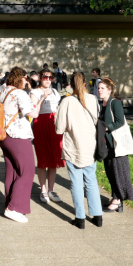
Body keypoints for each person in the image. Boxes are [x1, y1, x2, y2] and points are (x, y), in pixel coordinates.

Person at [55, 72, 103, 229]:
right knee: (91, 180)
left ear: (71, 84)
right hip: (90, 145)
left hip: (74, 146)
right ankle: (97, 216)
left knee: (76, 182)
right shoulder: (93, 99)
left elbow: (59, 129)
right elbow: (96, 120)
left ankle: (80, 218)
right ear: (85, 83)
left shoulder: (67, 101)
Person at [0, 67, 44, 223]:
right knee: (27, 171)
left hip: (4, 136)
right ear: (21, 78)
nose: (27, 82)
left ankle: (9, 204)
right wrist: (41, 99)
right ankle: (14, 208)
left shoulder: (3, 90)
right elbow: (34, 114)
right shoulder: (20, 93)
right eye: (26, 79)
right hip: (18, 136)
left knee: (11, 171)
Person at [98, 78, 133, 213]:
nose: (99, 90)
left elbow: (120, 121)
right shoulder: (101, 104)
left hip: (116, 143)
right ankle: (115, 196)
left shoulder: (115, 103)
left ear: (109, 90)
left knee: (118, 172)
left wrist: (107, 128)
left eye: (102, 88)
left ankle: (118, 200)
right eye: (98, 88)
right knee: (110, 172)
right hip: (106, 144)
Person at [30, 68, 64, 203]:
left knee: (54, 159)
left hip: (54, 124)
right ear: (40, 77)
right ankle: (43, 190)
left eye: (51, 77)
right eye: (45, 77)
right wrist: (43, 97)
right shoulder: (34, 92)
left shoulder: (55, 91)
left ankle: (51, 190)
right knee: (43, 158)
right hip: (41, 124)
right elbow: (33, 111)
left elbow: (57, 108)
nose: (48, 80)